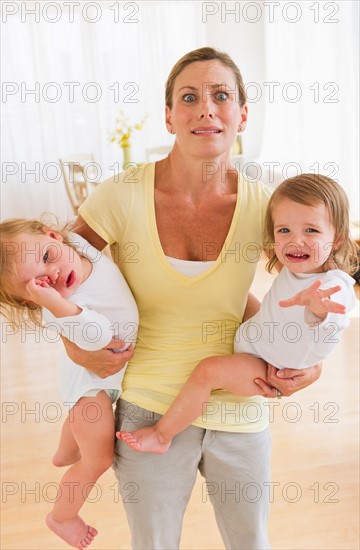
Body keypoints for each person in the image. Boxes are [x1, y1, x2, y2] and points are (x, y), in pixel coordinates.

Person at [64, 47, 323, 550]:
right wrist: (78, 350)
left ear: (242, 115)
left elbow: (317, 281)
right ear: (169, 116)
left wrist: (310, 363)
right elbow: (48, 274)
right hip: (148, 409)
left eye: (221, 96)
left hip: (241, 396)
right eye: (189, 97)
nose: (206, 108)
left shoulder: (267, 202)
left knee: (252, 542)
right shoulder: (120, 195)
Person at [117, 174, 358, 455]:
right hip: (260, 339)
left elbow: (336, 312)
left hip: (267, 365)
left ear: (338, 238)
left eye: (311, 231)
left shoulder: (333, 285)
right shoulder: (296, 270)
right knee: (228, 290)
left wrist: (317, 309)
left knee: (207, 371)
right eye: (284, 231)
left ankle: (162, 434)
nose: (296, 241)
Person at [0, 218, 138, 550]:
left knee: (83, 440)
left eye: (48, 256)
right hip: (89, 390)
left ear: (53, 235)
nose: (56, 275)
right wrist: (52, 300)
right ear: (34, 299)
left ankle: (65, 450)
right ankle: (62, 516)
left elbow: (92, 228)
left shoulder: (81, 247)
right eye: (40, 284)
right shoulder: (61, 309)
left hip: (99, 383)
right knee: (98, 460)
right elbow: (98, 337)